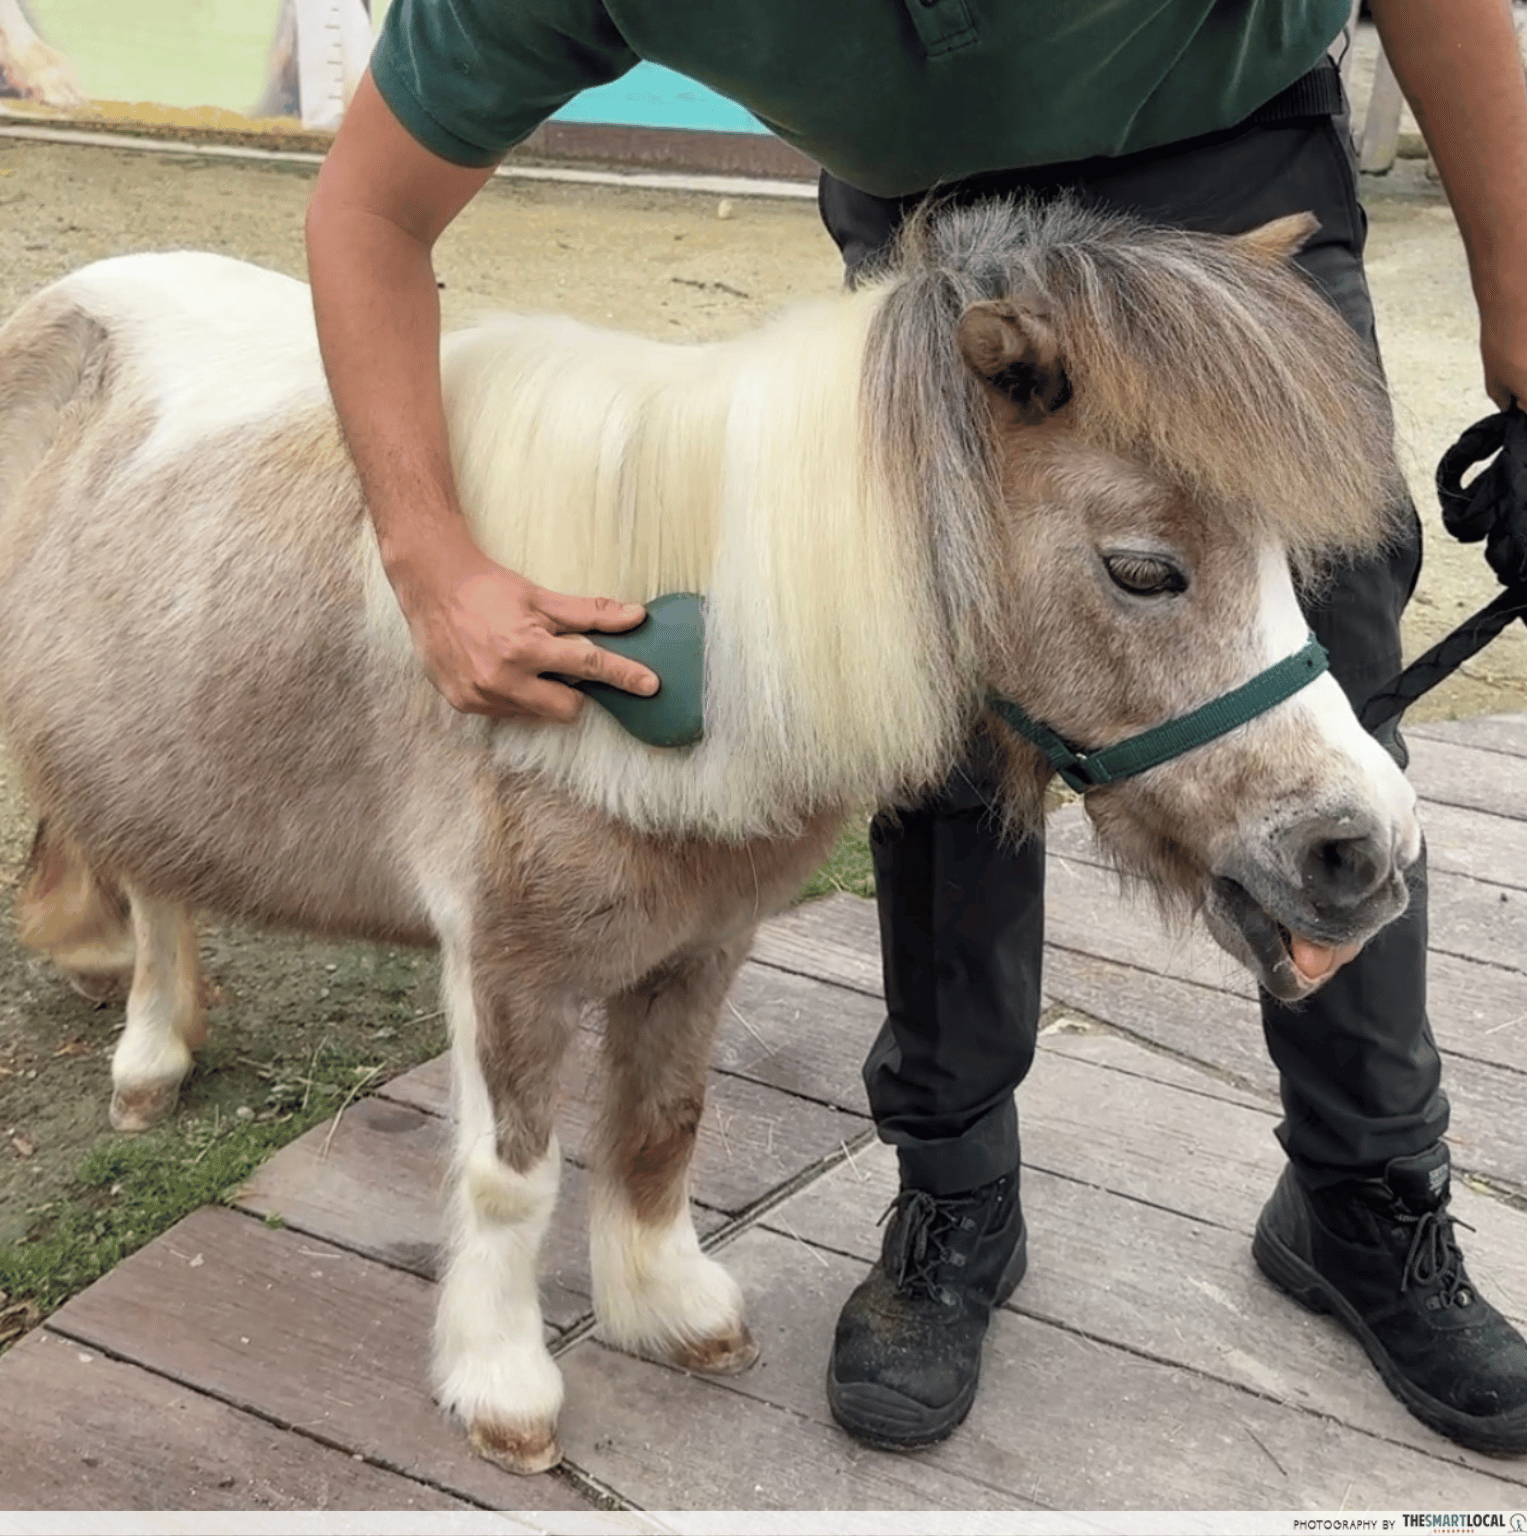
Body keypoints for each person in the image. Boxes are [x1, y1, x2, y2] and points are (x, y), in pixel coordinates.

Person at [305, 0, 1527, 1458]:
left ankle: (1363, 1194)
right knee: (923, 724)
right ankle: (954, 1191)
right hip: (936, 256)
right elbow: (369, 210)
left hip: (1226, 202)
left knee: (1308, 711)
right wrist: (427, 555)